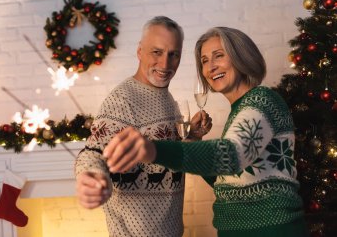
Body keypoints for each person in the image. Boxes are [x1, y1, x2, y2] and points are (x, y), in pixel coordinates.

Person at [104, 27, 309, 237]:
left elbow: (230, 155)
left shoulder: (262, 100)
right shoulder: (241, 110)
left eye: (219, 56)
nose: (210, 67)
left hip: (270, 230)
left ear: (241, 56)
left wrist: (153, 150)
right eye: (204, 60)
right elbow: (227, 179)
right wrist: (193, 142)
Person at [75, 16, 211, 237]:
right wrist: (89, 176)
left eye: (173, 54)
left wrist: (193, 136)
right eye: (156, 52)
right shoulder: (122, 100)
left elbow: (167, 159)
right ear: (140, 52)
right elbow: (92, 153)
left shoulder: (167, 98)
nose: (165, 64)